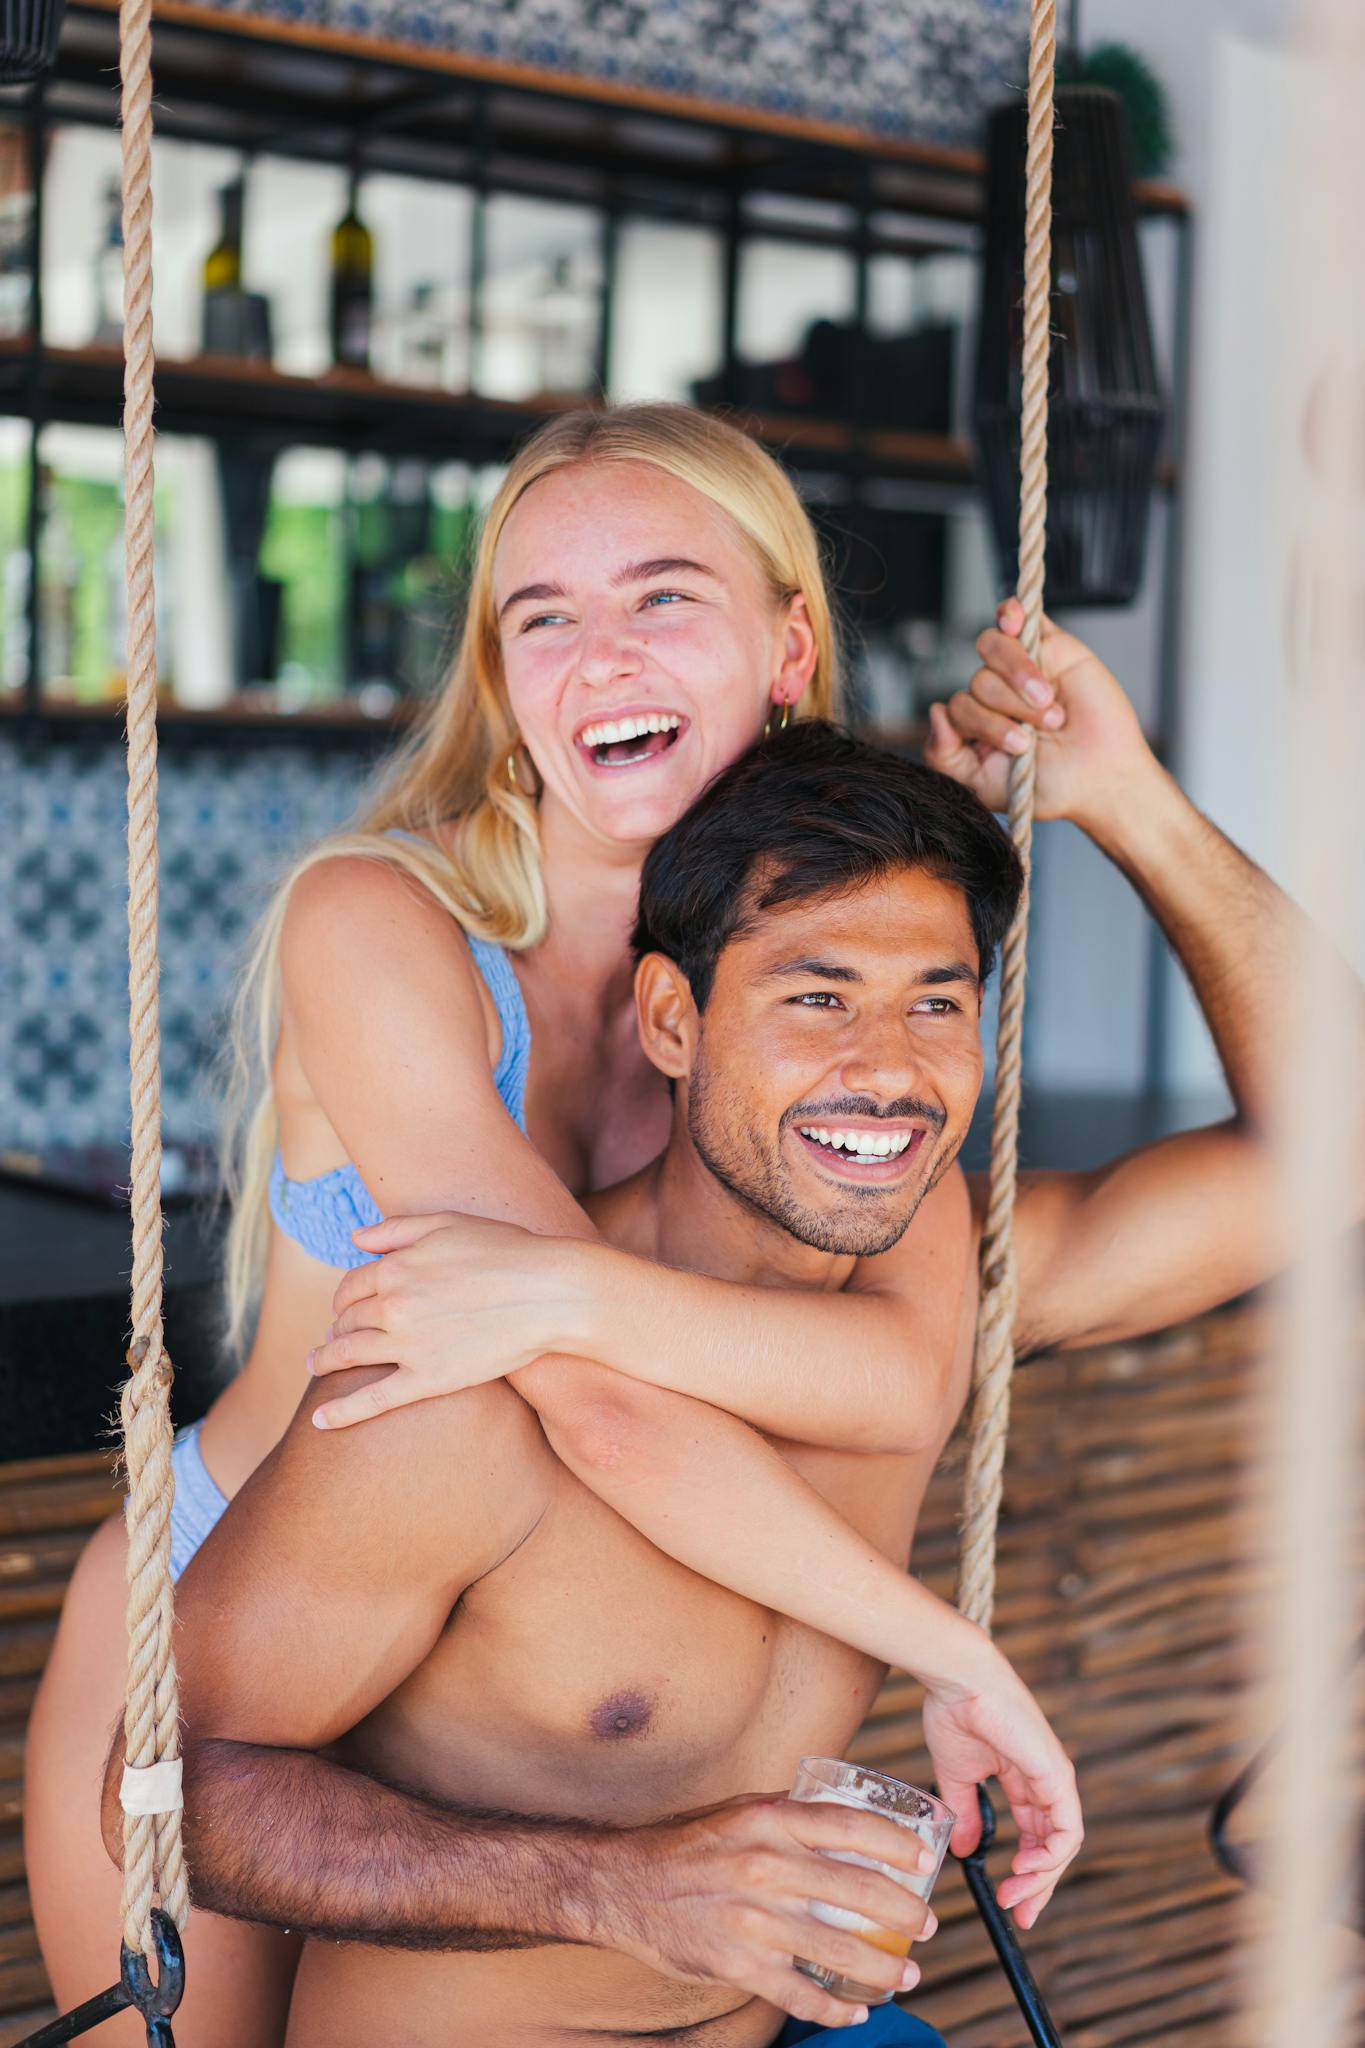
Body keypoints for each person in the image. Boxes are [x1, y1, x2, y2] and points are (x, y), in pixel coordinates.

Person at [28, 404, 1054, 2046]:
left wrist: (1044, 798)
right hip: (246, 1600)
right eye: (542, 618)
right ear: (500, 683)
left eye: (662, 597)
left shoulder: (784, 983)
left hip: (506, 1627)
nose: (603, 655)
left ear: (787, 644)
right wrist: (950, 1656)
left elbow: (883, 1375)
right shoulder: (382, 920)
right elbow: (577, 1379)